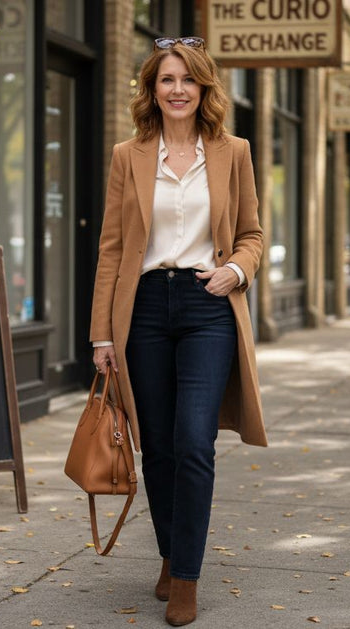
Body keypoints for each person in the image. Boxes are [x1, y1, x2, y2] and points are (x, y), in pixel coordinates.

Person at [90, 36, 266, 626]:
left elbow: (252, 233)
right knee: (157, 446)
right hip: (141, 308)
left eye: (188, 80)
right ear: (152, 89)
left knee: (194, 442)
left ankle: (185, 576)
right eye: (167, 79)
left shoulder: (233, 151)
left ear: (204, 88)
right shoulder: (128, 156)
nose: (178, 89)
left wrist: (234, 271)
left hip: (206, 305)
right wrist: (102, 336)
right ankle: (169, 554)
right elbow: (112, 250)